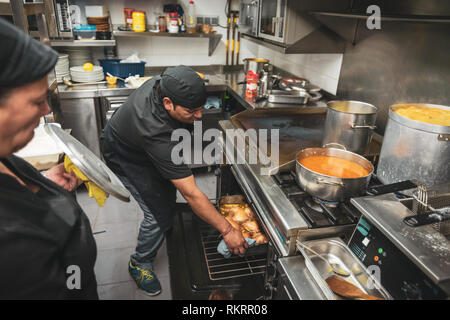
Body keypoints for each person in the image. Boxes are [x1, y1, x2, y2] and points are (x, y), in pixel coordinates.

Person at [101, 65, 248, 296]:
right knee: (157, 213)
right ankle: (139, 262)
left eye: (201, 109)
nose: (199, 116)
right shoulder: (155, 131)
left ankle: (164, 225)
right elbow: (191, 193)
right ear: (168, 103)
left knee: (166, 192)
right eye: (192, 112)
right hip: (124, 155)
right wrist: (227, 230)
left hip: (139, 141)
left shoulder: (168, 81)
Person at [0, 18, 98, 299]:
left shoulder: (5, 157)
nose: (45, 110)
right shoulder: (8, 244)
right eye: (36, 101)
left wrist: (43, 185)